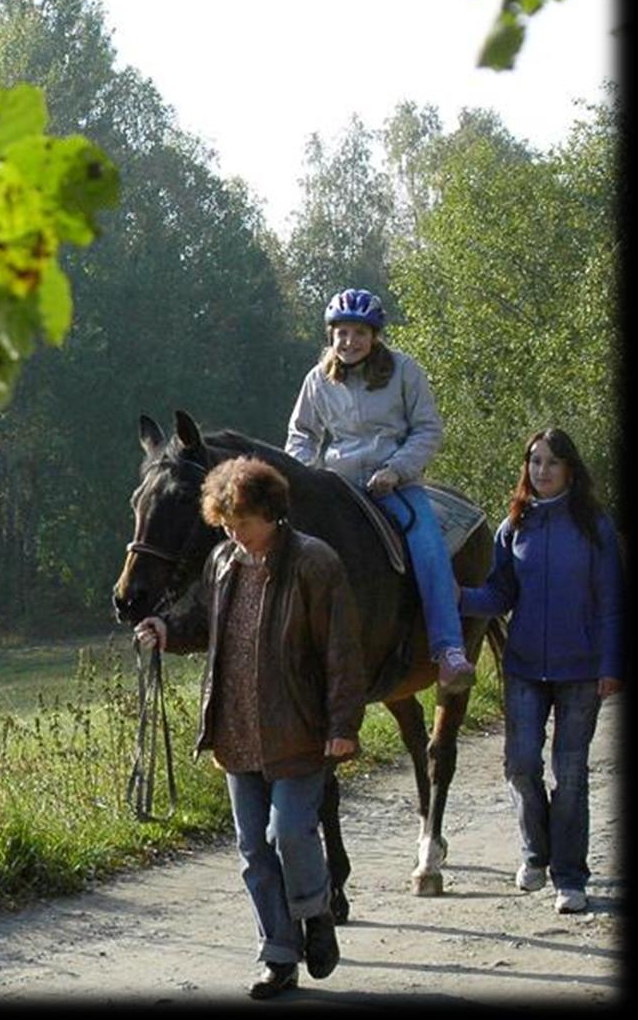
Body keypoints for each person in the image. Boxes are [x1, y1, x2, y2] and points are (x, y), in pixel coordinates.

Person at [133, 456, 365, 1000]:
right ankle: (278, 956)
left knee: (286, 833)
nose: (233, 531)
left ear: (271, 512)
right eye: (225, 521)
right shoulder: (222, 562)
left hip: (299, 730)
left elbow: (342, 651)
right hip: (236, 729)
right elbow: (202, 622)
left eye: (241, 520)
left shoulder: (314, 562)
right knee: (252, 850)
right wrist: (165, 628)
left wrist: (343, 724)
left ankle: (315, 914)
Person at [457, 428, 624, 915]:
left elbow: (614, 603)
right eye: (534, 462)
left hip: (582, 671)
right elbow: (500, 595)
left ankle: (569, 877)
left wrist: (612, 665)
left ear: (570, 469)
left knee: (569, 773)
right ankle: (536, 852)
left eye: (552, 462)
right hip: (525, 667)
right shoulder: (514, 527)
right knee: (521, 764)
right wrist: (460, 597)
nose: (542, 470)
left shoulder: (595, 527)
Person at [285, 287, 477, 694]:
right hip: (336, 485)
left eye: (359, 333)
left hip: (394, 485)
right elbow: (301, 434)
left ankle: (448, 650)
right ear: (330, 336)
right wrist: (307, 477)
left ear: (375, 337)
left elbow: (428, 429)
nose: (349, 342)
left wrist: (397, 469)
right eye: (342, 333)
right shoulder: (317, 380)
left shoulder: (405, 371)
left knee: (428, 546)